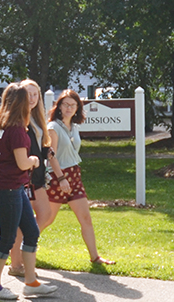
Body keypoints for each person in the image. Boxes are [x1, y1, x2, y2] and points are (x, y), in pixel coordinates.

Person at [0, 84, 58, 299]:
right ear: (21, 103)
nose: (32, 102)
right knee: (7, 239)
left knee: (31, 232)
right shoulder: (15, 128)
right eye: (28, 99)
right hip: (8, 188)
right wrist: (35, 159)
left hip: (13, 186)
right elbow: (23, 162)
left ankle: (31, 282)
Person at [41, 90, 115, 265]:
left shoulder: (74, 127)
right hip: (58, 177)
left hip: (74, 175)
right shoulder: (53, 127)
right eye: (65, 104)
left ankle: (95, 257)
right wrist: (61, 179)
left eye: (72, 105)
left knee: (85, 218)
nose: (69, 108)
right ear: (59, 106)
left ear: (77, 108)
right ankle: (23, 248)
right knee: (47, 218)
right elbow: (51, 156)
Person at [7, 79, 61, 277]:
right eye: (27, 94)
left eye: (34, 94)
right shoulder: (19, 119)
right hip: (24, 177)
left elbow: (43, 148)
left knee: (45, 215)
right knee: (24, 221)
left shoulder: (38, 119)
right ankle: (16, 265)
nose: (31, 98)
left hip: (37, 176)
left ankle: (24, 249)